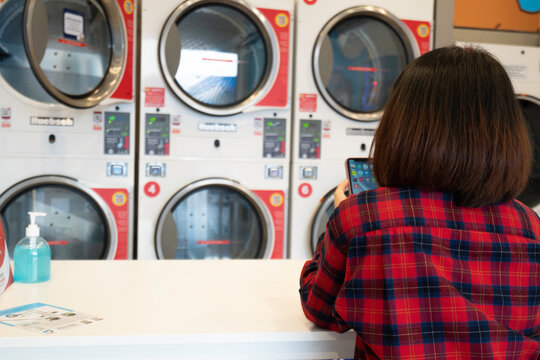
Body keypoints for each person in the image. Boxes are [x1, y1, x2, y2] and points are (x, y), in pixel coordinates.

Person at [299, 45, 540, 359]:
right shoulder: (530, 227)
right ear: (507, 134)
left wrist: (337, 218)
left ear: (400, 129)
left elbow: (320, 308)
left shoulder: (363, 217)